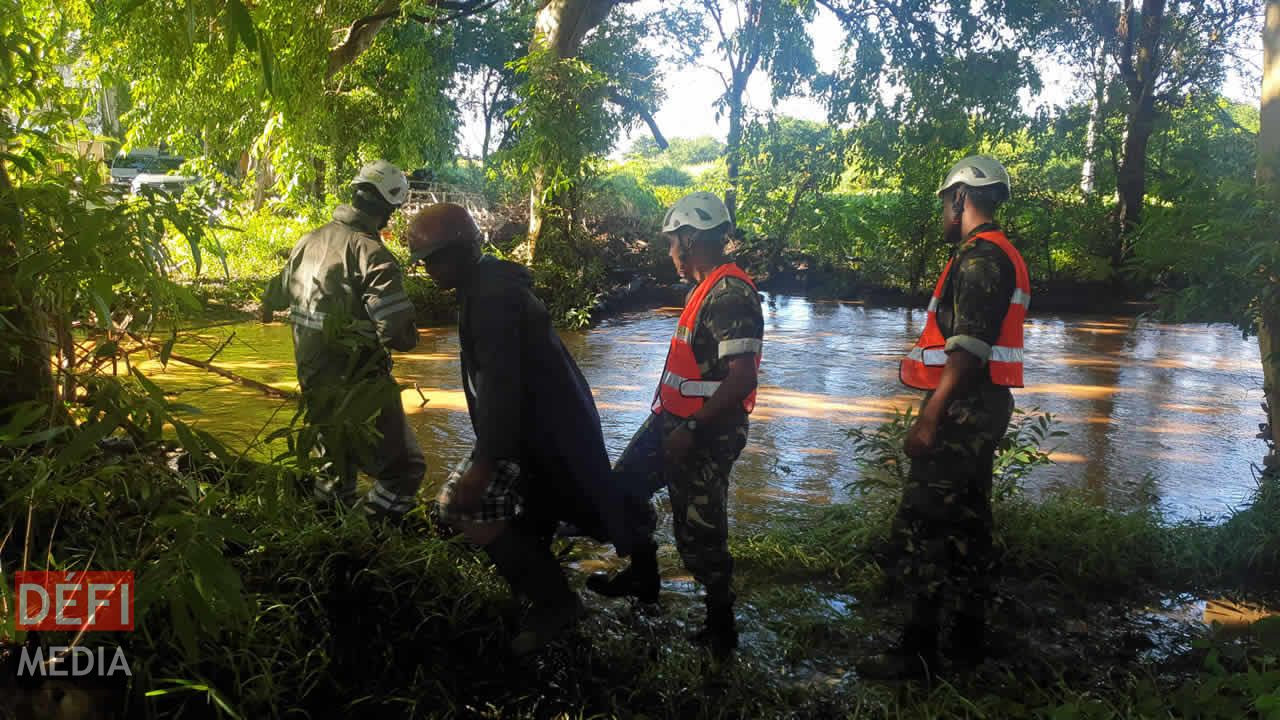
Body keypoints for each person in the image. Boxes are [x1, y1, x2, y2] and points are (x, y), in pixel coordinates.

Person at [408, 202, 637, 657]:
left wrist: (484, 465)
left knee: (458, 507)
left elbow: (502, 389)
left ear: (456, 253)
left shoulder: (491, 300)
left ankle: (555, 604)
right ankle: (541, 591)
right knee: (531, 516)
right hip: (548, 430)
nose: (427, 270)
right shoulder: (489, 282)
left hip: (539, 436)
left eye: (429, 260)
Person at [858, 155, 1031, 681]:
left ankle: (917, 652)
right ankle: (969, 638)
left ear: (961, 198)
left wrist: (930, 416)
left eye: (944, 202)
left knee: (927, 524)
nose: (942, 212)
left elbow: (968, 349)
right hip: (981, 407)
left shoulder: (980, 260)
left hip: (962, 410)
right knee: (968, 521)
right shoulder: (1000, 254)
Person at [586, 192, 763, 659]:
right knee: (623, 487)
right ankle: (644, 577)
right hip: (674, 421)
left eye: (671, 244)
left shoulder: (730, 295)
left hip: (706, 431)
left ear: (688, 240)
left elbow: (741, 377)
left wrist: (692, 430)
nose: (670, 254)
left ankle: (721, 629)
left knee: (702, 535)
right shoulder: (704, 289)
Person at [264, 159, 425, 522]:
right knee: (404, 470)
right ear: (389, 207)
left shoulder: (309, 240)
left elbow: (272, 297)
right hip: (360, 386)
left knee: (334, 473)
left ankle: (329, 537)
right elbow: (399, 334)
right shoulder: (372, 253)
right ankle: (368, 536)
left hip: (314, 383)